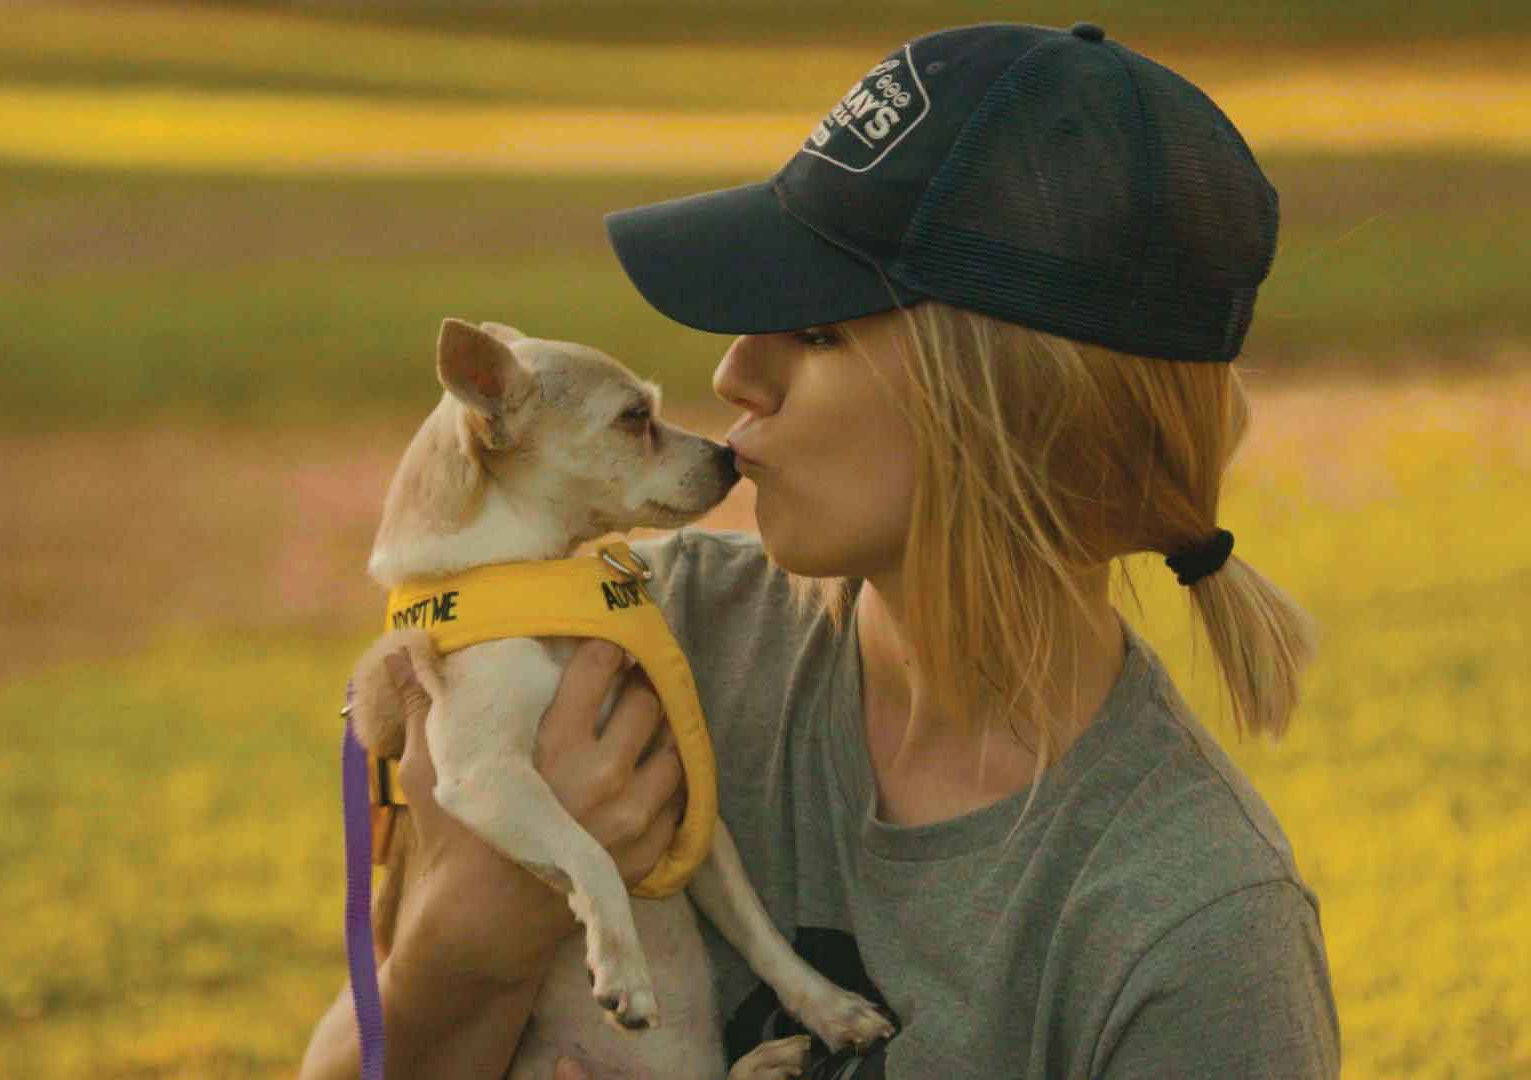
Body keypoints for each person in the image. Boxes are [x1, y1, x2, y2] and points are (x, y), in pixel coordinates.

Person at [303, 20, 1340, 1079]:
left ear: (1009, 407)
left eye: (816, 331)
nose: (738, 375)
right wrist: (479, 936)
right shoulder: (638, 631)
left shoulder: (1192, 932)